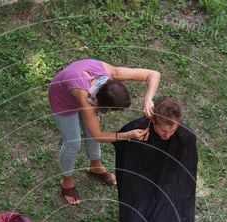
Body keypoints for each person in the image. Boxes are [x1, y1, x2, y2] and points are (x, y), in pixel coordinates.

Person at [48, 59, 160, 205]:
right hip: (62, 101)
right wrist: (128, 135)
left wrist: (148, 99)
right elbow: (98, 136)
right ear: (99, 102)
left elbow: (153, 74)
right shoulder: (83, 95)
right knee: (73, 144)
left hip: (83, 92)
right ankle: (67, 182)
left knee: (91, 130)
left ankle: (96, 166)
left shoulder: (112, 72)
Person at [113, 97, 197, 222]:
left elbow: (187, 170)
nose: (167, 135)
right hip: (140, 182)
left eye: (172, 130)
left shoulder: (185, 138)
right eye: (163, 130)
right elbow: (125, 158)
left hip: (169, 184)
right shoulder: (136, 131)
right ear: (153, 121)